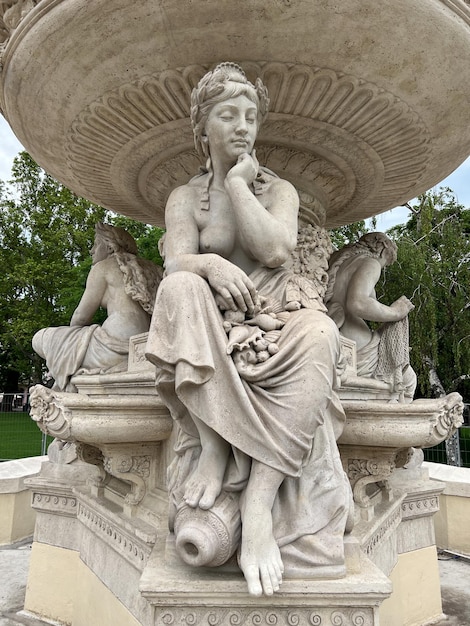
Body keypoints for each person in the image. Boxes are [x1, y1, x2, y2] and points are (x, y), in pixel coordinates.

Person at [145, 63, 351, 597]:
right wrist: (211, 267)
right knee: (180, 290)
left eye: (251, 117)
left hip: (276, 314)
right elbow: (175, 267)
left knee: (322, 334)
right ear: (202, 128)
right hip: (210, 316)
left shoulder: (278, 190)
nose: (242, 126)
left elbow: (277, 250)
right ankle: (214, 449)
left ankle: (258, 503)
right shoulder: (184, 199)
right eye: (227, 115)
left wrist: (238, 184)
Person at [33, 222, 162, 392]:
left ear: (109, 247)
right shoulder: (152, 268)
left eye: (95, 244)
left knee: (41, 338)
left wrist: (69, 346)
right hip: (146, 346)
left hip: (112, 347)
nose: (92, 250)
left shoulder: (103, 267)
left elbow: (81, 317)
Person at [325, 232, 416, 401]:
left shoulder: (338, 260)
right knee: (408, 378)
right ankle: (393, 422)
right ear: (382, 252)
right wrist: (396, 312)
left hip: (335, 328)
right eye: (385, 264)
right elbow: (358, 302)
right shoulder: (370, 262)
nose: (382, 267)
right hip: (356, 340)